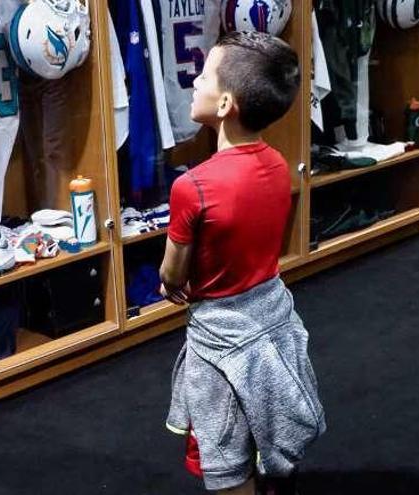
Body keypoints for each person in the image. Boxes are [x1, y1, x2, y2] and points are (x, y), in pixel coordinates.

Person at [159, 32, 326, 495]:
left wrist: (170, 281)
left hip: (221, 340)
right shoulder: (276, 162)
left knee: (226, 462)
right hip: (273, 321)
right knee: (264, 439)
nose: (195, 82)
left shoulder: (191, 187)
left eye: (205, 76)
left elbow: (173, 275)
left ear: (226, 102)